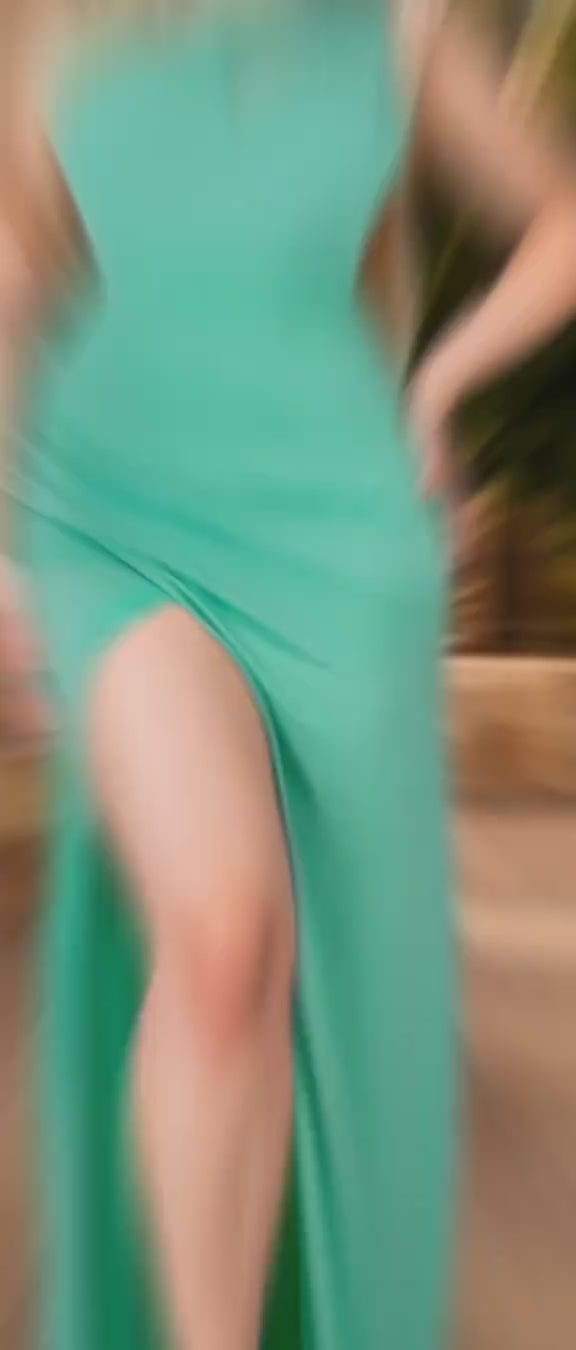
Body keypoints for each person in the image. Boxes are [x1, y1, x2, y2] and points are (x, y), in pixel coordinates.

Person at [2, 1, 576, 1347]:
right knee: (224, 937)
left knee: (327, 993)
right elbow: (15, 277)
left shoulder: (402, 24)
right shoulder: (57, 20)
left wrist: (441, 379)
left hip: (337, 540)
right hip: (107, 518)